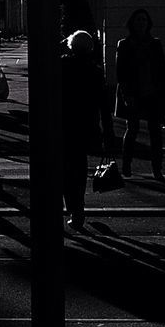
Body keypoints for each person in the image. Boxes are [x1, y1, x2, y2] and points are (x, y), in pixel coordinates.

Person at [61, 29, 115, 231]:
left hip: (65, 123)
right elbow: (103, 105)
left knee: (65, 168)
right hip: (86, 125)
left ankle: (72, 206)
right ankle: (79, 207)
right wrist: (108, 131)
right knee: (79, 167)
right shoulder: (94, 71)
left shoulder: (63, 66)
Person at [115, 8, 165, 180]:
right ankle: (126, 166)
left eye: (144, 20)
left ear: (148, 23)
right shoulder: (124, 44)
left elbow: (162, 71)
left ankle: (157, 168)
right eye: (138, 20)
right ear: (132, 23)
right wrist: (126, 94)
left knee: (155, 132)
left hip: (152, 92)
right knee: (132, 130)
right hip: (134, 93)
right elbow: (121, 72)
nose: (141, 23)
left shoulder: (155, 44)